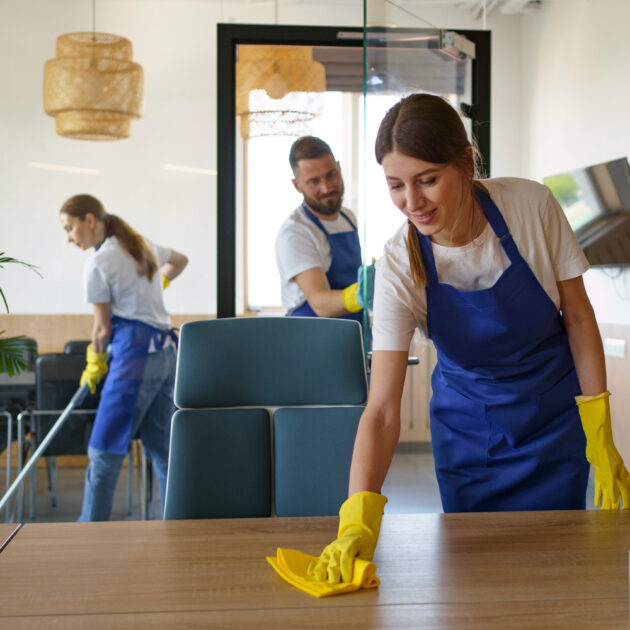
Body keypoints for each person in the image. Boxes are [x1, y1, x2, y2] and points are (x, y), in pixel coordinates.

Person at [307, 93, 630, 584]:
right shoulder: (397, 266)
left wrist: (600, 434)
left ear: (464, 162)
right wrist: (357, 518)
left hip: (554, 426)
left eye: (427, 180)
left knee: (556, 577)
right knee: (476, 580)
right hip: (468, 438)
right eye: (396, 185)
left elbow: (579, 319)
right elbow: (383, 411)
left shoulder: (529, 206)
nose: (411, 203)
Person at [59, 194, 188, 521]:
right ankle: (176, 525)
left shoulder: (99, 263)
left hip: (134, 361)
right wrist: (158, 284)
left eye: (70, 228)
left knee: (104, 450)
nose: (69, 238)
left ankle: (90, 531)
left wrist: (94, 363)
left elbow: (102, 331)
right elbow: (181, 260)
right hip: (167, 356)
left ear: (90, 220)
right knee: (162, 450)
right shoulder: (140, 244)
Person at [275, 136, 374, 324]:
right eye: (314, 181)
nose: (326, 187)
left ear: (338, 168)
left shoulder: (348, 217)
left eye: (331, 175)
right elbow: (321, 304)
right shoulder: (295, 233)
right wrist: (363, 293)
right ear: (297, 185)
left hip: (353, 330)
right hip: (311, 339)